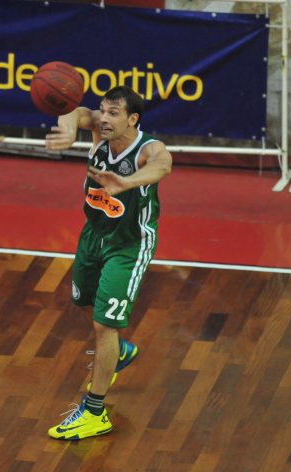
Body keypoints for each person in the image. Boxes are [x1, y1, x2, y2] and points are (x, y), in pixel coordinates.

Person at [44, 85, 172, 440]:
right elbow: (73, 111)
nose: (104, 118)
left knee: (104, 326)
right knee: (83, 302)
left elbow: (163, 165)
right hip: (94, 234)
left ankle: (95, 412)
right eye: (103, 110)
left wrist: (127, 182)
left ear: (133, 119)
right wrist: (69, 129)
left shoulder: (147, 149)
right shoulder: (99, 131)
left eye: (113, 113)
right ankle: (120, 351)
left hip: (129, 245)